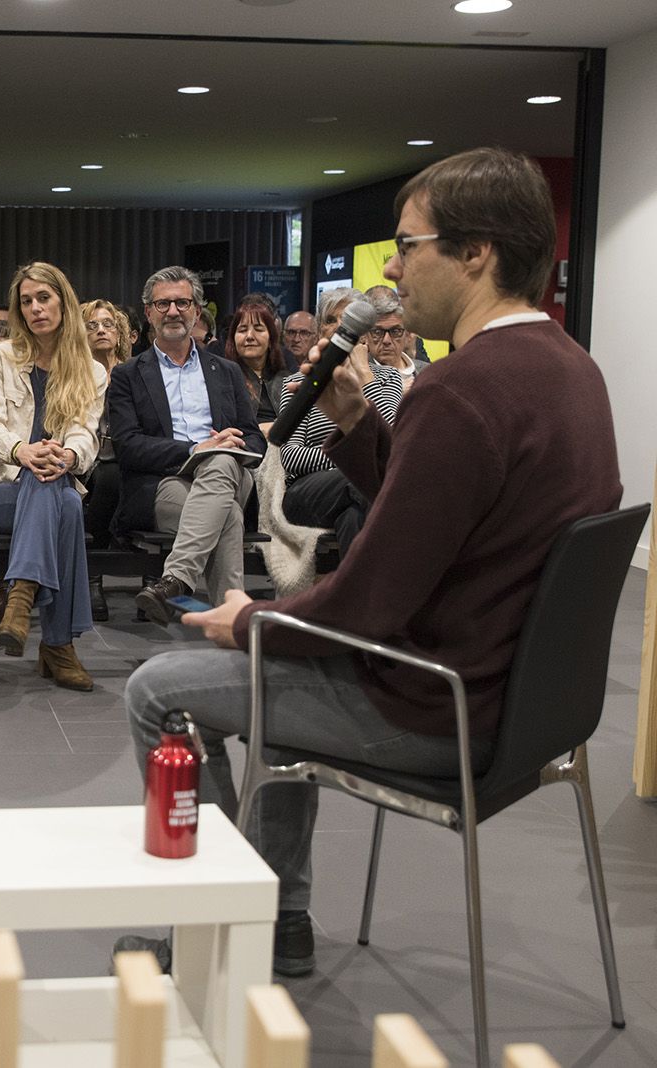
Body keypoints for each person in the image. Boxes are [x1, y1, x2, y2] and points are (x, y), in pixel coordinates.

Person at [122, 147, 619, 979]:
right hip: (526, 710)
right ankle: (279, 913)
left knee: (157, 690)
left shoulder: (460, 391)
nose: (392, 267)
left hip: (435, 704)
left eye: (407, 243)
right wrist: (355, 423)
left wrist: (252, 619)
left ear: (476, 252)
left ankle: (215, 923)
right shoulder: (572, 371)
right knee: (275, 685)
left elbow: (367, 603)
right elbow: (438, 512)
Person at [0, 263, 106, 691]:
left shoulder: (91, 371)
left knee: (67, 499)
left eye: (44, 298)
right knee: (61, 496)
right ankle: (57, 644)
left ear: (63, 302)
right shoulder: (0, 357)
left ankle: (21, 599)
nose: (36, 308)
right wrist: (24, 451)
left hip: (48, 488)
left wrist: (68, 454)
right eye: (27, 301)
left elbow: (84, 433)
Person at [110, 266, 264, 624]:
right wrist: (196, 449)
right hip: (163, 484)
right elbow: (128, 446)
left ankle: (177, 577)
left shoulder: (225, 371)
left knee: (224, 463)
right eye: (163, 304)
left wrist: (228, 446)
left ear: (197, 310)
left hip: (231, 477)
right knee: (227, 515)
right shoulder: (128, 375)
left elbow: (255, 438)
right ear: (148, 312)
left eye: (182, 302)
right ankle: (234, 624)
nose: (173, 311)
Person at [278, 287, 403, 557]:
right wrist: (354, 460)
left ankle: (360, 595)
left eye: (347, 320)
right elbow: (291, 457)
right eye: (331, 320)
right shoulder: (298, 381)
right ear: (321, 330)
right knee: (365, 483)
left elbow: (391, 439)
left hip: (358, 495)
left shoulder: (387, 379)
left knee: (354, 517)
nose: (338, 328)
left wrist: (364, 374)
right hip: (308, 491)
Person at [80, 298, 128, 553]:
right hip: (89, 458)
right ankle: (94, 565)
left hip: (130, 454)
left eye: (108, 324)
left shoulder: (134, 373)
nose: (101, 330)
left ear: (119, 335)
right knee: (109, 477)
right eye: (92, 325)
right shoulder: (75, 375)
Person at [226, 300, 292, 435]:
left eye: (258, 329)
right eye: (242, 330)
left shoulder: (287, 380)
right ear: (233, 339)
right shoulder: (223, 379)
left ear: (270, 339)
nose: (249, 336)